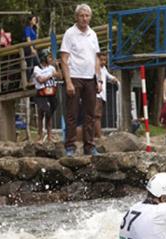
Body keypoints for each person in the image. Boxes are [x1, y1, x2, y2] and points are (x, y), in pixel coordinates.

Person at [61, 4, 102, 157]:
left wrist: (99, 80)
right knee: (72, 113)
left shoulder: (93, 34)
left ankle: (89, 146)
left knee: (90, 113)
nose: (84, 18)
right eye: (81, 15)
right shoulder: (70, 33)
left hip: (90, 78)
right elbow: (64, 59)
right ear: (76, 17)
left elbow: (96, 58)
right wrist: (68, 81)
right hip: (75, 76)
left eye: (87, 16)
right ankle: (70, 146)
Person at [32, 49, 61, 143]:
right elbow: (40, 79)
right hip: (41, 93)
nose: (50, 59)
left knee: (49, 114)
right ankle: (39, 136)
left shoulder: (52, 68)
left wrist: (57, 66)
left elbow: (59, 76)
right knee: (42, 113)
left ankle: (49, 135)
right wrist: (50, 75)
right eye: (48, 57)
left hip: (51, 92)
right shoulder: (37, 68)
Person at [94, 52, 119, 138]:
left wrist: (114, 79)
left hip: (102, 95)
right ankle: (98, 135)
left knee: (99, 115)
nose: (103, 62)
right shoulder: (95, 68)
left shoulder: (104, 68)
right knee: (96, 115)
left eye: (105, 60)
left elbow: (108, 76)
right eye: (102, 60)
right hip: (97, 95)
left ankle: (97, 134)